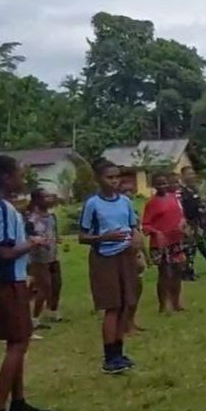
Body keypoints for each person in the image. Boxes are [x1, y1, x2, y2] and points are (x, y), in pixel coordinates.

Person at [0, 153, 54, 411]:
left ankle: (18, 403)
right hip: (3, 282)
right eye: (20, 174)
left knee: (19, 339)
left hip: (10, 280)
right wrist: (33, 242)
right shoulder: (3, 209)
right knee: (18, 342)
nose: (24, 179)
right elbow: (6, 252)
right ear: (7, 178)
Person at [79, 160, 144, 374]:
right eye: (109, 177)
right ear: (99, 179)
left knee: (126, 303)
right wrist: (103, 237)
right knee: (112, 306)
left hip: (126, 254)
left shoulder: (125, 201)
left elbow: (133, 225)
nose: (114, 181)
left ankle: (119, 352)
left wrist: (136, 238)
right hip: (104, 257)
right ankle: (109, 356)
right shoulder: (93, 204)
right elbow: (82, 236)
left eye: (117, 177)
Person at [142, 171, 187, 313]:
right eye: (159, 184)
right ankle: (163, 305)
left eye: (164, 183)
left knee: (177, 272)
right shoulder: (152, 203)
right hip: (160, 244)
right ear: (153, 186)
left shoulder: (174, 198)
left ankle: (176, 303)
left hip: (176, 240)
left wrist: (183, 224)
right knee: (165, 274)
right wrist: (156, 233)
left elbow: (180, 215)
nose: (162, 186)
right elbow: (145, 225)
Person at [26, 189, 63, 327]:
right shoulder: (31, 219)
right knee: (43, 287)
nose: (50, 199)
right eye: (46, 197)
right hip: (38, 259)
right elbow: (28, 237)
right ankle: (34, 319)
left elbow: (54, 232)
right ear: (37, 200)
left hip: (53, 256)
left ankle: (53, 312)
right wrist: (37, 241)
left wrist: (56, 240)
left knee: (56, 284)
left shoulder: (51, 216)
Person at [178, 166, 205, 282]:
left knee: (193, 248)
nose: (192, 176)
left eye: (193, 174)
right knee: (187, 248)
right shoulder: (181, 192)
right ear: (183, 176)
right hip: (186, 223)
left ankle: (189, 270)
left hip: (195, 222)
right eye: (189, 174)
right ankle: (185, 272)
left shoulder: (193, 190)